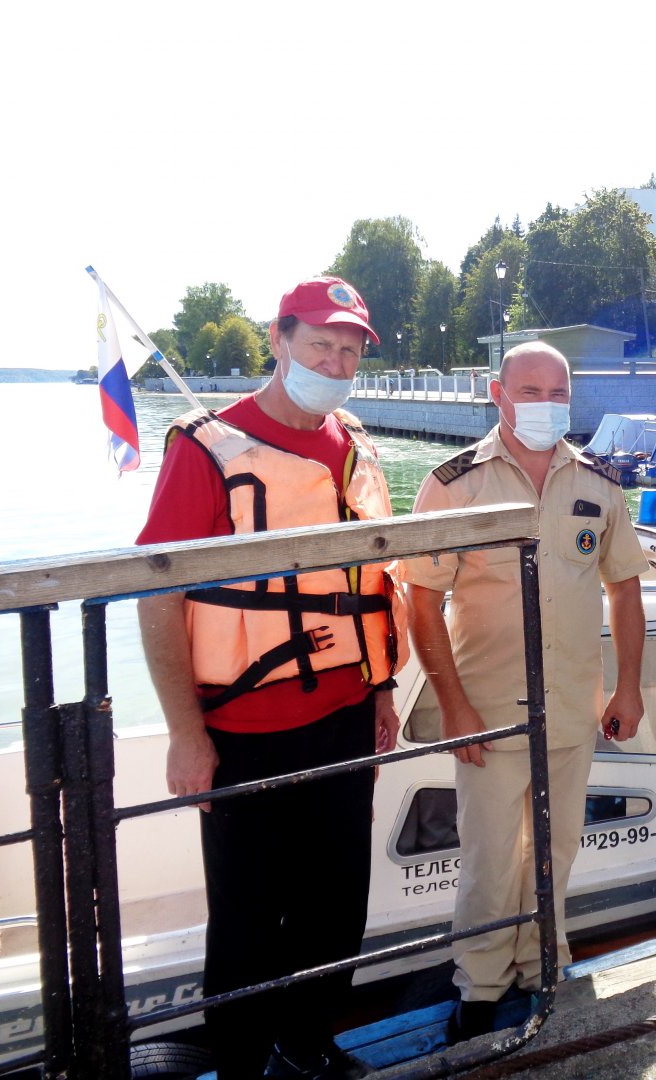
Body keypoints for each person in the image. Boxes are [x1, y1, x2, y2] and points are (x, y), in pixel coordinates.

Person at [137, 275, 404, 1079]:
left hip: (346, 714)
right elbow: (158, 595)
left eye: (350, 351)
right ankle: (242, 1064)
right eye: (321, 345)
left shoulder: (354, 445)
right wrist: (186, 733)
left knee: (337, 899)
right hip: (244, 731)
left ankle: (308, 1043)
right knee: (247, 917)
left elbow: (372, 579)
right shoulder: (206, 448)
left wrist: (383, 689)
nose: (336, 363)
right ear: (279, 339)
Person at [404, 341, 649, 1041]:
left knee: (556, 847)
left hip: (572, 703)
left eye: (557, 391)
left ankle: (542, 964)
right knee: (488, 858)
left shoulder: (599, 483)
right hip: (488, 710)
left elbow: (624, 588)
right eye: (530, 391)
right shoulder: (455, 484)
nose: (545, 404)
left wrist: (628, 688)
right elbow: (420, 600)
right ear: (498, 393)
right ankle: (481, 985)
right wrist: (453, 705)